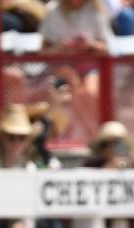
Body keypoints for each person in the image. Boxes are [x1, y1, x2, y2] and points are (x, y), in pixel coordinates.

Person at [39, 0, 111, 138]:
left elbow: (106, 48)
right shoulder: (52, 9)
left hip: (88, 66)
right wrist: (59, 49)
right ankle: (93, 132)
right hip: (59, 66)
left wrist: (89, 45)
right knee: (70, 79)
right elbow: (43, 51)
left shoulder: (96, 10)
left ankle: (91, 132)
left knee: (90, 93)